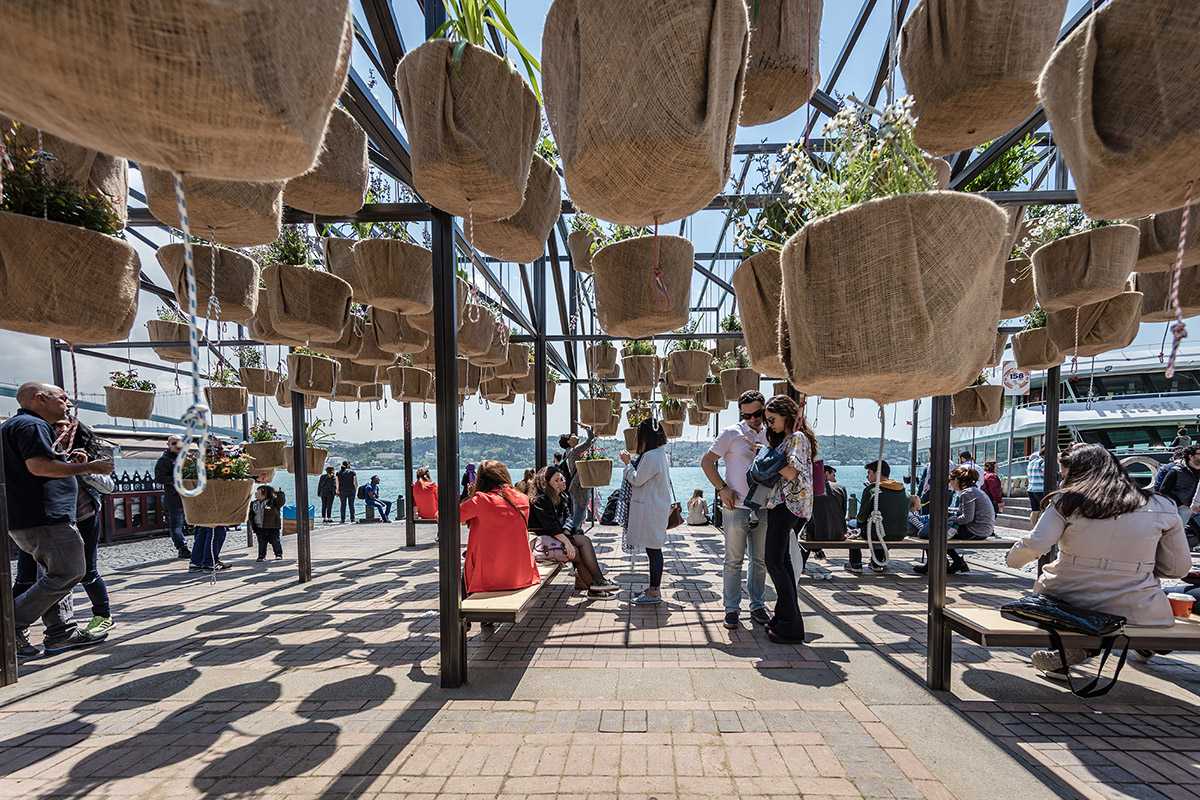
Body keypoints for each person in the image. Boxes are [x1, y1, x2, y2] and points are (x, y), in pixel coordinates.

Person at [1007, 443, 1190, 679]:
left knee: (1051, 602)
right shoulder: (1162, 506)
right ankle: (1143, 643)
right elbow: (1177, 568)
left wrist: (1012, 560)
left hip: (1070, 601)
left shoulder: (1066, 502)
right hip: (1138, 607)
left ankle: (1075, 650)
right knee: (1146, 611)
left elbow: (1036, 544)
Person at [4, 382, 113, 658]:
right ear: (40, 399)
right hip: (45, 516)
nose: (68, 404)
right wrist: (89, 466)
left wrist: (70, 463)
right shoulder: (32, 425)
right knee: (69, 572)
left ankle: (61, 632)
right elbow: (38, 467)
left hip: (32, 517)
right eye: (63, 398)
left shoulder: (14, 426)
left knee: (53, 575)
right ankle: (9, 626)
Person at [14, 420, 116, 637]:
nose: (63, 430)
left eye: (67, 426)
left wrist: (85, 468)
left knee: (85, 571)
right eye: (57, 426)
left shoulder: (84, 453)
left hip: (82, 517)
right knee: (27, 576)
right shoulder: (37, 451)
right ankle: (15, 626)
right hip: (41, 521)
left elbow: (109, 486)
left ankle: (102, 616)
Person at [702, 390, 770, 630]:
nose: (752, 420)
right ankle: (731, 608)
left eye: (757, 414)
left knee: (760, 560)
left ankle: (757, 605)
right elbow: (707, 462)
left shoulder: (771, 434)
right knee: (733, 560)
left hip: (765, 506)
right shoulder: (731, 433)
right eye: (746, 415)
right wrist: (722, 488)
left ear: (764, 410)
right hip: (736, 506)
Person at [754, 395, 814, 644]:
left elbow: (790, 472)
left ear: (786, 414)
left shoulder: (798, 438)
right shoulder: (789, 439)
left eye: (772, 419)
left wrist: (766, 454)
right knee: (782, 563)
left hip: (789, 504)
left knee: (774, 562)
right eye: (767, 421)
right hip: (783, 504)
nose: (769, 425)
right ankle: (784, 619)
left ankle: (791, 627)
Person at [528, 465, 618, 598]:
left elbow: (568, 517)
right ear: (545, 483)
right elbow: (550, 526)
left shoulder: (560, 496)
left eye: (561, 479)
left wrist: (566, 531)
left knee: (581, 545)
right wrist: (567, 542)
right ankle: (597, 584)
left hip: (556, 536)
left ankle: (596, 585)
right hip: (543, 540)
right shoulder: (540, 499)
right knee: (578, 549)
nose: (562, 482)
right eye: (556, 480)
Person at [459, 460, 542, 594]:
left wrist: (472, 498)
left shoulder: (481, 500)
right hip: (521, 574)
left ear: (481, 480)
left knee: (463, 578)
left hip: (490, 578)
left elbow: (447, 517)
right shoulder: (523, 498)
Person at [619, 419, 674, 604]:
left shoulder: (651, 456)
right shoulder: (660, 453)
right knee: (654, 548)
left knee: (654, 550)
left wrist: (627, 463)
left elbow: (637, 480)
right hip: (657, 507)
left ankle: (654, 592)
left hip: (652, 509)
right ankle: (652, 588)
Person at [925, 466, 995, 574]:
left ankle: (932, 565)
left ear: (956, 480)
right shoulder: (974, 491)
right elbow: (965, 512)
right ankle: (957, 561)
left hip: (974, 531)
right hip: (983, 530)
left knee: (933, 534)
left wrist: (949, 520)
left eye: (950, 480)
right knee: (941, 533)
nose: (949, 483)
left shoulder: (967, 493)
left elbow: (967, 518)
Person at [848, 460, 909, 574]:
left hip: (878, 534)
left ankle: (855, 563)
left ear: (878, 473)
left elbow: (861, 518)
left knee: (852, 524)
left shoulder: (872, 490)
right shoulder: (903, 490)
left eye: (869, 472)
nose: (867, 476)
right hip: (901, 533)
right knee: (881, 527)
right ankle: (877, 561)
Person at [154, 434, 191, 558]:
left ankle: (199, 547)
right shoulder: (164, 460)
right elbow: (160, 478)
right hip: (174, 497)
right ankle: (182, 548)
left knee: (197, 522)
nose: (177, 446)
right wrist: (178, 479)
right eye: (174, 443)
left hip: (190, 496)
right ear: (168, 445)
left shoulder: (188, 457)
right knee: (176, 524)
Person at [560, 424, 596, 531]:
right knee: (579, 515)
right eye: (571, 435)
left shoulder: (569, 451)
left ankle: (574, 533)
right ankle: (574, 534)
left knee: (578, 513)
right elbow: (590, 441)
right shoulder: (575, 450)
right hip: (579, 487)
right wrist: (588, 430)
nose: (574, 434)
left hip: (575, 487)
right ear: (569, 442)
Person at [1158, 444, 1200, 529]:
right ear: (1190, 456)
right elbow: (1163, 489)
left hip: (1197, 506)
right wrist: (1180, 504)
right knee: (1178, 531)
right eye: (1199, 454)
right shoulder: (1176, 471)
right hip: (1183, 508)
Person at [249, 485, 285, 561]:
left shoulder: (273, 501)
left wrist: (279, 494)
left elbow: (281, 502)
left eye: (258, 492)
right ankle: (261, 556)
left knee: (275, 541)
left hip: (272, 526)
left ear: (264, 493)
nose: (255, 493)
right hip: (259, 527)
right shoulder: (254, 503)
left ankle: (278, 554)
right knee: (261, 542)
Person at [1026, 448, 1046, 527]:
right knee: (1046, 510)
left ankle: (1034, 529)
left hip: (1031, 488)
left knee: (1035, 511)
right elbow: (1046, 474)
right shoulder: (1043, 462)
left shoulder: (1031, 463)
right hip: (1041, 489)